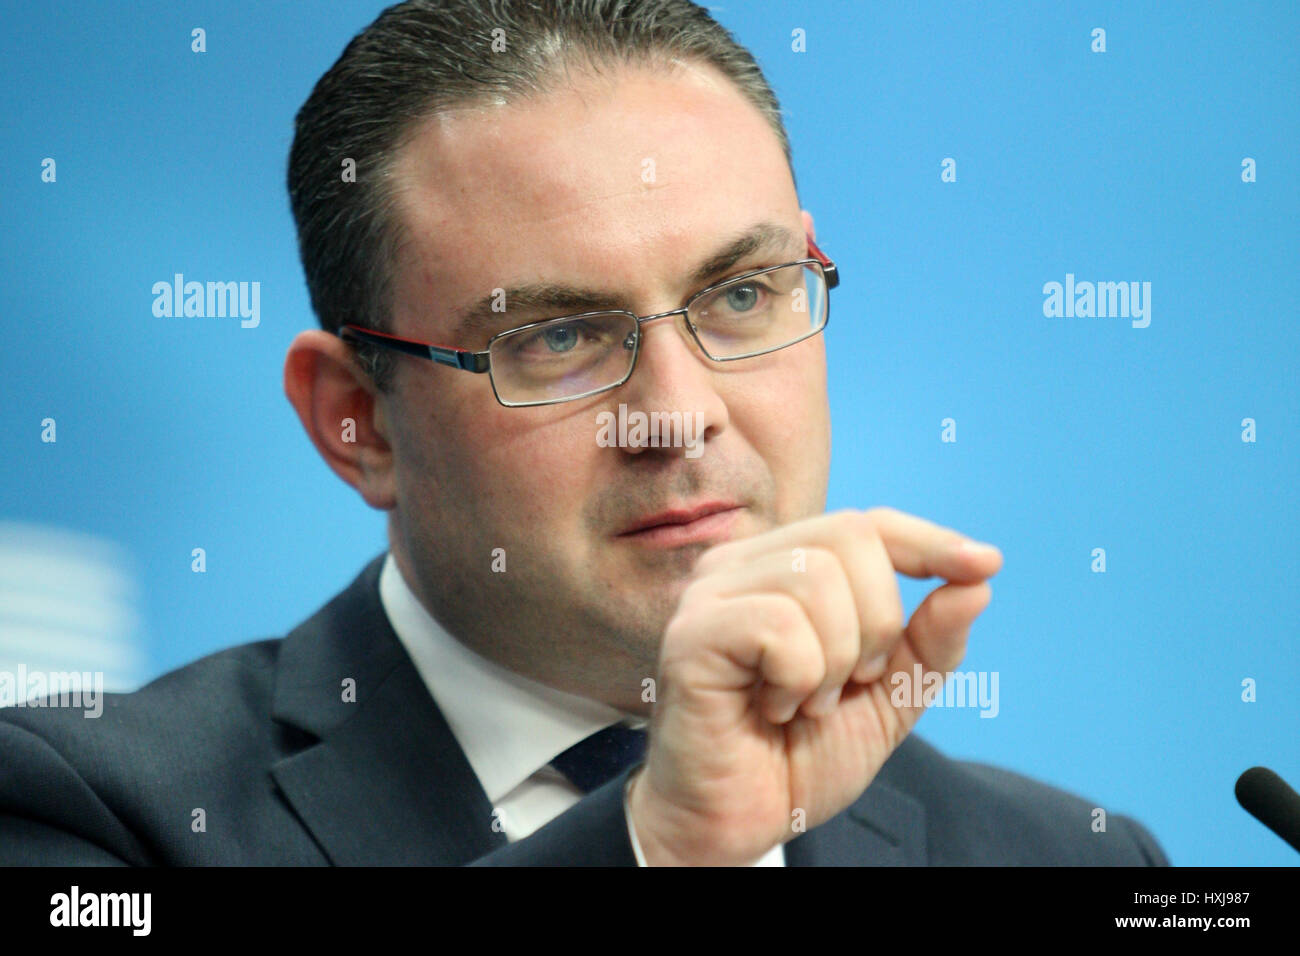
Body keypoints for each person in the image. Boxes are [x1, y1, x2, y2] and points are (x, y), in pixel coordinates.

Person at [0, 0, 1169, 866]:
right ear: (356, 421)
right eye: (556, 337)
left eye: (743, 294)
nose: (681, 410)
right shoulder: (91, 815)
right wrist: (658, 844)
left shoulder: (1064, 857)